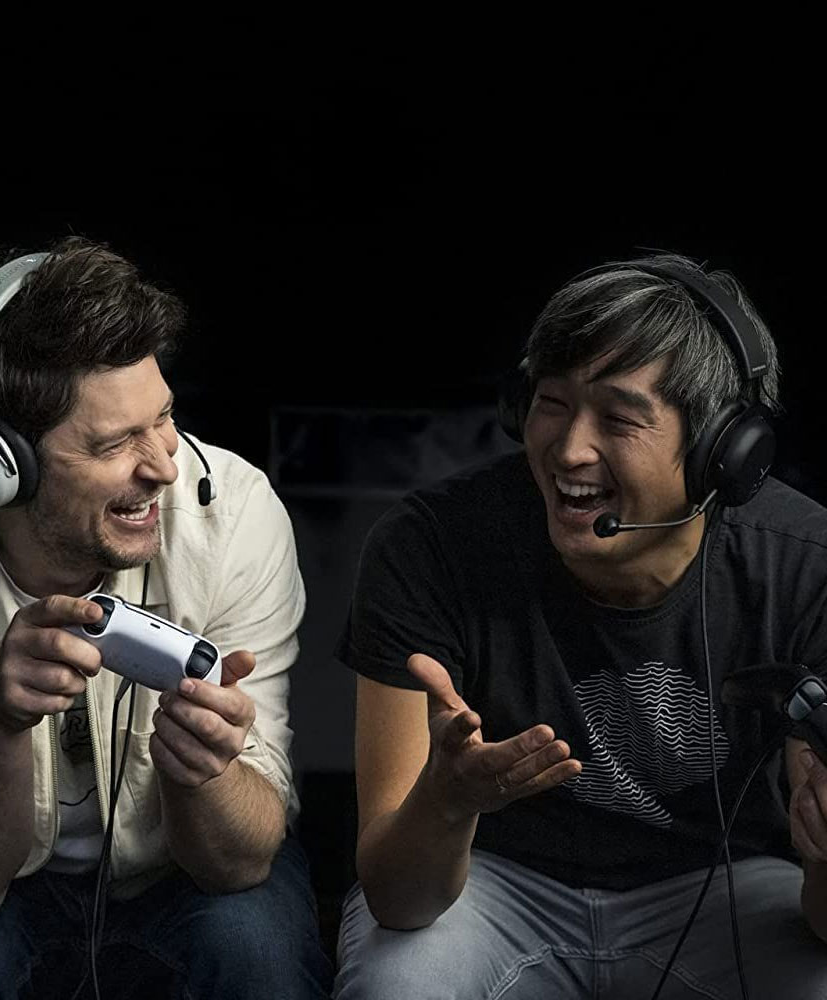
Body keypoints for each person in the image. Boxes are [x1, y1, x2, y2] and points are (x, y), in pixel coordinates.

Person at [0, 237, 333, 999]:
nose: (164, 465)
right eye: (116, 442)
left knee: (255, 942)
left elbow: (240, 863)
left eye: (163, 417)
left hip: (179, 874)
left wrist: (207, 773)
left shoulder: (232, 511)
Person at [332, 254, 827, 998]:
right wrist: (446, 801)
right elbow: (399, 903)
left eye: (619, 419)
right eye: (552, 403)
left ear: (721, 452)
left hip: (730, 885)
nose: (568, 450)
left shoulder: (808, 569)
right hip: (491, 885)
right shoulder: (428, 544)